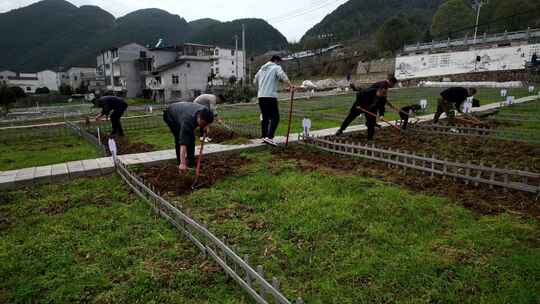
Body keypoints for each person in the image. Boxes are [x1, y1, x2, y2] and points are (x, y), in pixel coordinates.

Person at [163, 102, 214, 173]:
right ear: (199, 117)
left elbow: (207, 122)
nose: (204, 125)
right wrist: (183, 163)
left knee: (191, 138)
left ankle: (191, 163)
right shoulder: (188, 121)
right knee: (179, 138)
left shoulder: (205, 112)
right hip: (171, 115)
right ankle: (180, 164)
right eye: (203, 123)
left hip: (184, 111)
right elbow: (183, 143)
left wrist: (206, 126)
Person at [253, 55, 293, 146]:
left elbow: (254, 80)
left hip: (261, 96)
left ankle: (264, 137)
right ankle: (270, 137)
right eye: (279, 62)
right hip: (270, 96)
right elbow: (283, 76)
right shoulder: (276, 67)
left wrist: (262, 87)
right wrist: (290, 85)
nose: (279, 64)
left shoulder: (261, 69)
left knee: (265, 117)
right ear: (276, 60)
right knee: (276, 117)